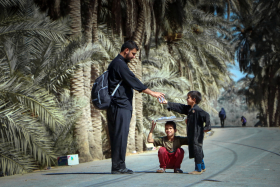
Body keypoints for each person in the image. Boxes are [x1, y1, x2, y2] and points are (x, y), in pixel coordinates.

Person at [107, 40, 165, 174]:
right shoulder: (119, 64)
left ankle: (118, 166)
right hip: (120, 106)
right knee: (120, 136)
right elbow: (134, 81)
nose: (134, 57)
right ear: (126, 50)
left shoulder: (116, 63)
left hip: (116, 106)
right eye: (133, 54)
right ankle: (118, 167)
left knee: (118, 136)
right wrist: (153, 93)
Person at [159, 91, 211, 175]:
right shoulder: (190, 109)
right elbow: (180, 107)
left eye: (188, 97)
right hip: (192, 134)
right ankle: (202, 167)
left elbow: (207, 115)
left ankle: (198, 169)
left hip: (197, 135)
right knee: (197, 150)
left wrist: (207, 127)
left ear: (194, 99)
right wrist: (167, 103)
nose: (187, 99)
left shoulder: (198, 110)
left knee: (197, 150)